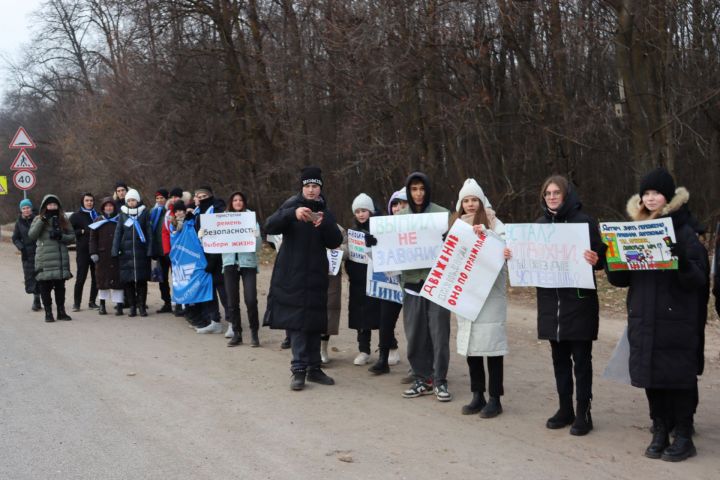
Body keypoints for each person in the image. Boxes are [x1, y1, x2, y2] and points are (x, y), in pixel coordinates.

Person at [606, 168, 708, 462]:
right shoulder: (633, 231)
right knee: (651, 377)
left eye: (656, 193)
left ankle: (684, 435)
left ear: (668, 197)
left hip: (676, 319)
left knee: (679, 377)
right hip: (643, 316)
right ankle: (660, 429)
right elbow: (620, 281)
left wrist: (679, 261)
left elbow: (698, 279)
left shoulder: (685, 232)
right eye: (646, 193)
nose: (650, 198)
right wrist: (614, 260)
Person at [516, 175, 606, 436]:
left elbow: (602, 258)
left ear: (567, 195)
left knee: (581, 360)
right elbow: (528, 259)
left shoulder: (584, 222)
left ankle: (583, 412)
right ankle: (564, 408)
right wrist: (514, 254)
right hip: (550, 303)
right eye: (548, 193)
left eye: (557, 192)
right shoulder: (539, 225)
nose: (552, 197)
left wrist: (595, 258)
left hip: (578, 302)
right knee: (559, 359)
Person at [372, 172, 452, 401]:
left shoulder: (441, 214)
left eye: (422, 189)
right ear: (409, 192)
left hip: (437, 284)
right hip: (411, 284)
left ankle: (440, 380)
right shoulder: (399, 219)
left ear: (427, 191)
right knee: (415, 334)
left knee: (439, 334)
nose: (418, 193)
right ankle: (421, 378)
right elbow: (389, 249)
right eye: (414, 189)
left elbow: (455, 245)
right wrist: (375, 243)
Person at [264, 166, 343, 391]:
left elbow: (335, 241)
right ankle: (298, 370)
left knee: (315, 323)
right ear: (302, 187)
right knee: (298, 323)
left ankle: (314, 368)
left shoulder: (325, 211)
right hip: (292, 274)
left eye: (315, 186)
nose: (311, 190)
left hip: (317, 275)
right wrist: (293, 214)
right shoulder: (290, 206)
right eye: (307, 186)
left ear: (320, 188)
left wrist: (324, 223)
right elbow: (270, 225)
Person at [452, 179, 510, 418]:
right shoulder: (456, 227)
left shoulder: (495, 224)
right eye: (466, 200)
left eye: (474, 199)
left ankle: (495, 398)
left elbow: (506, 247)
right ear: (461, 204)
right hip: (466, 295)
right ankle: (478, 394)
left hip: (490, 295)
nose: (470, 204)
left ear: (481, 201)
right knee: (471, 347)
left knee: (492, 347)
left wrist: (486, 235)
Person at [368, 188, 407, 374]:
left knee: (415, 325)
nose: (398, 208)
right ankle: (383, 359)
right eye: (395, 204)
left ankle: (420, 365)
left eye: (403, 204)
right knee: (385, 321)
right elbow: (373, 257)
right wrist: (370, 244)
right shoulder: (382, 227)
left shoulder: (420, 227)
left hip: (414, 283)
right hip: (391, 281)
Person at [346, 193, 382, 365]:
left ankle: (389, 347)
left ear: (371, 211)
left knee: (382, 314)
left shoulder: (380, 227)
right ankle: (364, 349)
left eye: (364, 210)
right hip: (358, 278)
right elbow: (348, 253)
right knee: (360, 315)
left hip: (377, 277)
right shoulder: (352, 232)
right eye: (358, 211)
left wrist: (376, 242)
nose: (361, 214)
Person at [222, 191, 262, 347]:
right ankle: (237, 333)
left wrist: (256, 236)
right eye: (235, 200)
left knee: (251, 300)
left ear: (244, 202)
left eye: (240, 200)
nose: (238, 202)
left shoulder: (251, 219)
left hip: (248, 263)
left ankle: (254, 333)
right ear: (231, 203)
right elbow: (215, 243)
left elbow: (257, 247)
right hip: (229, 263)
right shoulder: (222, 220)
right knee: (232, 301)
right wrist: (205, 236)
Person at [28, 194, 75, 322]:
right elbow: (32, 235)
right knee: (45, 288)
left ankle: (61, 312)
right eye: (49, 205)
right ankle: (48, 313)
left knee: (60, 288)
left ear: (58, 206)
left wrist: (61, 237)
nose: (52, 207)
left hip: (60, 258)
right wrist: (42, 221)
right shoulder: (38, 218)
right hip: (44, 259)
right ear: (45, 206)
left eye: (54, 204)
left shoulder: (63, 219)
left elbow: (72, 236)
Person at [189, 186, 227, 333]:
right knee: (208, 290)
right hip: (202, 257)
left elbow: (220, 236)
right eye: (198, 196)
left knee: (223, 291)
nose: (200, 198)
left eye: (204, 196)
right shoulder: (197, 212)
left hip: (217, 257)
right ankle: (214, 321)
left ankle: (232, 322)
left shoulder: (217, 209)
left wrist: (213, 259)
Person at [112, 189, 154, 317]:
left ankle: (142, 306)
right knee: (128, 281)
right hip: (126, 253)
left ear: (138, 200)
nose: (131, 202)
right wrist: (115, 249)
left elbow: (149, 233)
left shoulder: (144, 213)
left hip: (141, 253)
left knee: (141, 281)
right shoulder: (123, 214)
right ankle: (132, 307)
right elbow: (118, 233)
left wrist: (150, 250)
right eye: (129, 200)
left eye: (133, 200)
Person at [89, 197, 124, 315]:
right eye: (106, 206)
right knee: (102, 281)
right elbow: (93, 239)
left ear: (114, 207)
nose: (108, 208)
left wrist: (122, 250)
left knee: (118, 282)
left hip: (116, 255)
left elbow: (124, 237)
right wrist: (93, 252)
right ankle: (102, 305)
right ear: (103, 208)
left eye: (111, 206)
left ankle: (119, 305)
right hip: (102, 255)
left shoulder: (119, 220)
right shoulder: (98, 220)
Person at [322, 224, 347, 364]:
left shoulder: (336, 227)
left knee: (330, 312)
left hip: (332, 276)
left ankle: (323, 348)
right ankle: (311, 349)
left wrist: (337, 250)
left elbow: (348, 248)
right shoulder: (303, 224)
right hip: (311, 274)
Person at [70, 192, 99, 311]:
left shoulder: (97, 215)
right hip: (83, 251)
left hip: (96, 250)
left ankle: (92, 302)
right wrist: (81, 231)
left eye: (91, 200)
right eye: (87, 200)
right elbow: (69, 232)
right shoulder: (76, 216)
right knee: (81, 277)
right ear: (83, 202)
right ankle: (77, 303)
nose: (89, 203)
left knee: (96, 277)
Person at [12, 198, 41, 311]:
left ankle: (41, 298)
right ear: (21, 210)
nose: (26, 210)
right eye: (24, 208)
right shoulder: (19, 222)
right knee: (30, 277)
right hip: (27, 253)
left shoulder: (38, 219)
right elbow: (15, 238)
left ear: (31, 208)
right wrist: (21, 247)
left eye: (28, 207)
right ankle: (36, 298)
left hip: (39, 251)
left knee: (41, 276)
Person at [149, 188, 172, 313]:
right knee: (162, 279)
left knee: (177, 277)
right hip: (159, 250)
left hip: (171, 250)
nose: (159, 201)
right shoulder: (153, 212)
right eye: (157, 198)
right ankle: (167, 302)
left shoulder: (170, 212)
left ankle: (180, 302)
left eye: (162, 198)